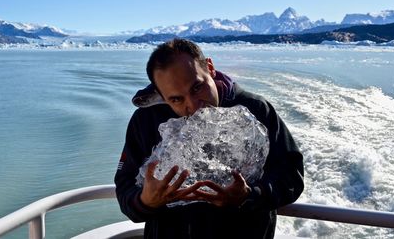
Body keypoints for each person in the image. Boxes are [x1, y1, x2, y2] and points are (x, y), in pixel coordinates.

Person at [115, 38, 304, 239]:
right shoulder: (146, 121)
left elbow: (292, 178)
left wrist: (249, 195)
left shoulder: (257, 110)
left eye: (197, 87)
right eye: (176, 99)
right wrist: (145, 201)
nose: (194, 106)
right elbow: (125, 186)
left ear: (210, 68)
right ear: (161, 95)